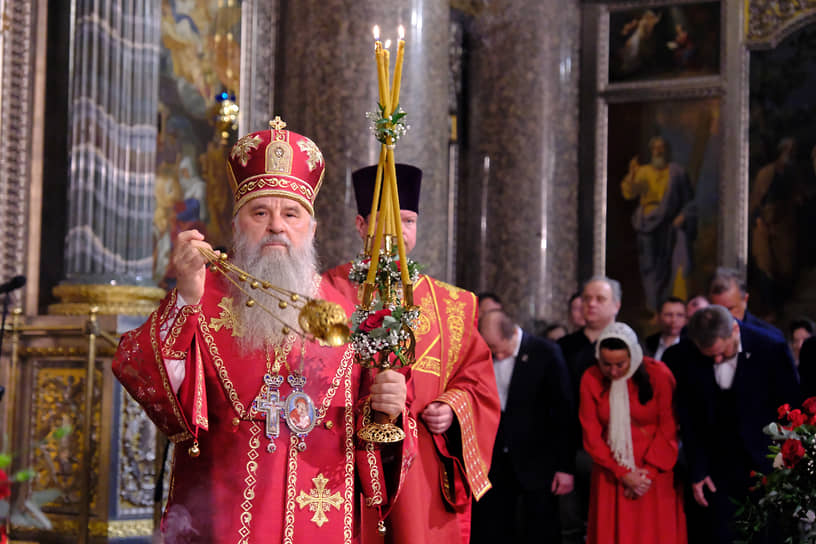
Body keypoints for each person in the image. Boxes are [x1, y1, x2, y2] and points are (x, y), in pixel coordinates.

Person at [112, 121, 412, 542]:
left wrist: (389, 409)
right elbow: (151, 381)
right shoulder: (203, 296)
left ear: (311, 227)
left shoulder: (347, 312)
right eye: (260, 213)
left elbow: (373, 438)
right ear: (238, 224)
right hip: (220, 519)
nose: (276, 226)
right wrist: (184, 298)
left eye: (291, 213)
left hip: (321, 519)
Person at [322, 163, 501, 544]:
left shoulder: (453, 305)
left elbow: (478, 381)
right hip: (343, 468)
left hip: (421, 477)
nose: (397, 232)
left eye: (407, 221)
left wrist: (453, 407)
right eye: (386, 219)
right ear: (360, 225)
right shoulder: (325, 293)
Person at [662, 305, 800, 543]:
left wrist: (787, 460)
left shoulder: (770, 348)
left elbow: (791, 408)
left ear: (735, 329)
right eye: (709, 355)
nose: (716, 360)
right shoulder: (683, 355)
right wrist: (698, 470)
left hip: (766, 463)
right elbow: (689, 417)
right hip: (715, 467)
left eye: (722, 353)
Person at [580, 322, 686, 544]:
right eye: (606, 364)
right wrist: (622, 473)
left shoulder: (658, 374)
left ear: (634, 355)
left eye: (620, 364)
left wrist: (646, 475)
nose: (613, 371)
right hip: (611, 472)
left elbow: (669, 428)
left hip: (654, 471)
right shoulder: (591, 377)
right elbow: (591, 433)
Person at [473, 310, 574, 543]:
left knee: (540, 528)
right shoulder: (485, 355)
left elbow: (562, 412)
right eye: (490, 349)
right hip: (495, 460)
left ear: (511, 335)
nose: (495, 355)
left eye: (498, 348)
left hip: (537, 459)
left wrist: (564, 467)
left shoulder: (545, 352)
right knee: (494, 527)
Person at [557, 276, 622, 544]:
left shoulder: (628, 346)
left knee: (611, 525)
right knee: (570, 525)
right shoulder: (563, 348)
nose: (591, 304)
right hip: (572, 449)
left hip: (615, 451)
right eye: (587, 299)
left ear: (616, 305)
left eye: (600, 299)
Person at [620, 135, 696, 314]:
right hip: (646, 224)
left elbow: (690, 201)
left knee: (667, 265)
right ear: (651, 151)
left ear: (667, 150)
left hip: (669, 225)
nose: (658, 151)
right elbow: (628, 193)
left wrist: (683, 216)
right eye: (655, 148)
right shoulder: (643, 171)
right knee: (649, 266)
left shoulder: (677, 172)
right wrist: (631, 175)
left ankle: (668, 307)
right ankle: (653, 307)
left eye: (662, 147)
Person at [708, 267, 784, 339]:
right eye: (719, 310)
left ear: (745, 300)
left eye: (730, 309)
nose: (724, 317)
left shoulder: (770, 338)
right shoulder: (702, 338)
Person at [643, 296, 687, 360]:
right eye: (668, 314)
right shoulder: (648, 343)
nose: (674, 320)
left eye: (679, 315)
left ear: (686, 319)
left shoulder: (692, 346)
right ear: (658, 317)